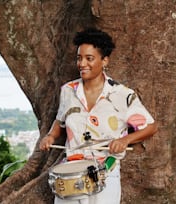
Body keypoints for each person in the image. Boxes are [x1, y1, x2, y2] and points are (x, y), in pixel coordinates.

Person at [39, 27, 157, 204]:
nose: (82, 64)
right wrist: (50, 136)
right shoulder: (68, 91)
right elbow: (60, 121)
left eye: (89, 58)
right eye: (79, 58)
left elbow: (151, 126)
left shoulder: (121, 94)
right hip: (71, 173)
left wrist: (125, 140)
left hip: (105, 173)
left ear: (104, 60)